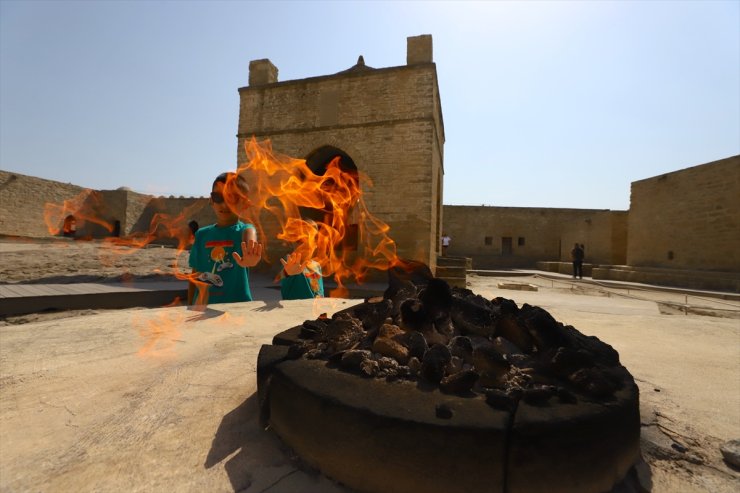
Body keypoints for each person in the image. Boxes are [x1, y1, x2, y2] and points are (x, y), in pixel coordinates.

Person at [188, 172, 262, 305]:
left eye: (232, 198)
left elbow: (250, 239)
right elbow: (195, 275)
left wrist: (250, 259)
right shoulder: (201, 235)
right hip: (202, 308)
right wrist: (189, 306)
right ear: (211, 200)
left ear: (244, 203)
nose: (224, 204)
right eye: (218, 197)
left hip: (237, 310)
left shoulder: (245, 230)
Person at [275, 220, 324, 300]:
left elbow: (320, 293)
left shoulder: (316, 265)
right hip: (295, 310)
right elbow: (286, 274)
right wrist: (288, 273)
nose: (306, 243)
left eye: (312, 238)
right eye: (300, 240)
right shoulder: (290, 263)